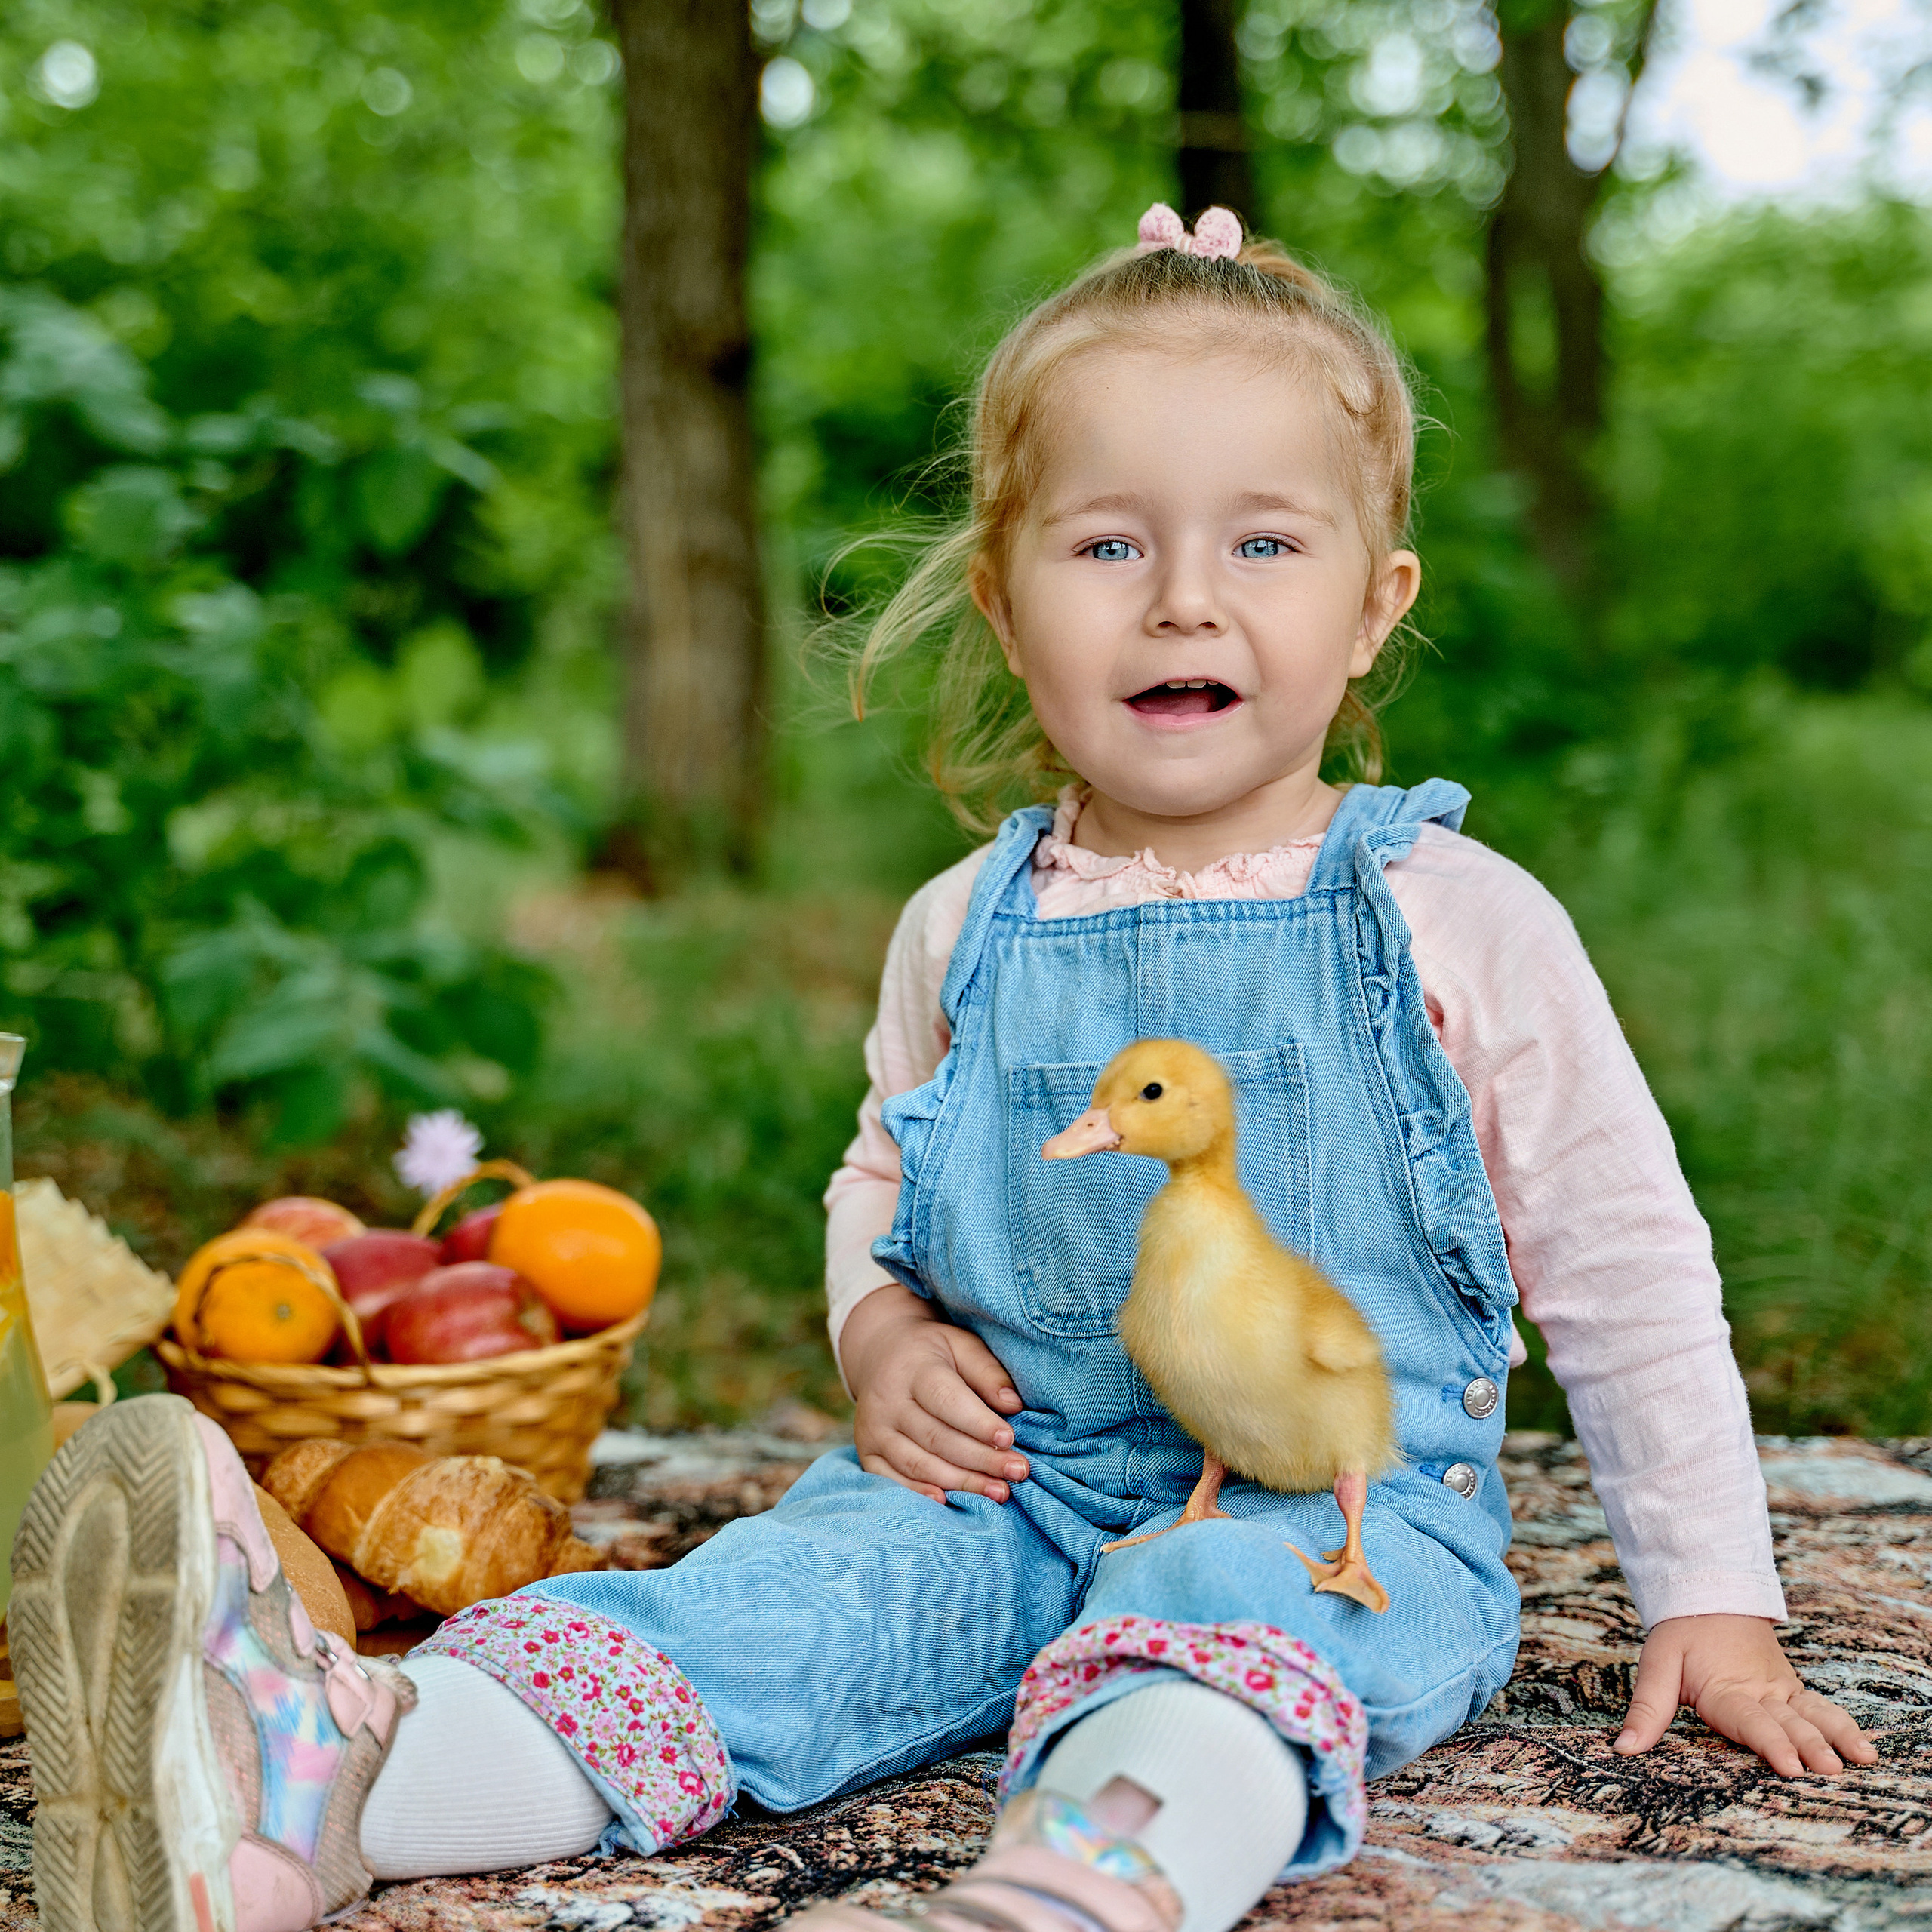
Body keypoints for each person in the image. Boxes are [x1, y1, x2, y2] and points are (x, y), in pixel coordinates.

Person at [12, 205, 1875, 1932]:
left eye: (1261, 541)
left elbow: (1623, 1261)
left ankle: (1081, 1876)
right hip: (1002, 1484)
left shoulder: (1448, 915)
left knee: (1226, 1624)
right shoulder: (962, 921)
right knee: (777, 1607)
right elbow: (882, 1180)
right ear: (1000, 598)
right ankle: (322, 1790)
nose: (1182, 599)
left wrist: (1711, 1594)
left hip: (1327, 1503)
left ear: (1374, 600)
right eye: (1107, 543)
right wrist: (879, 1331)